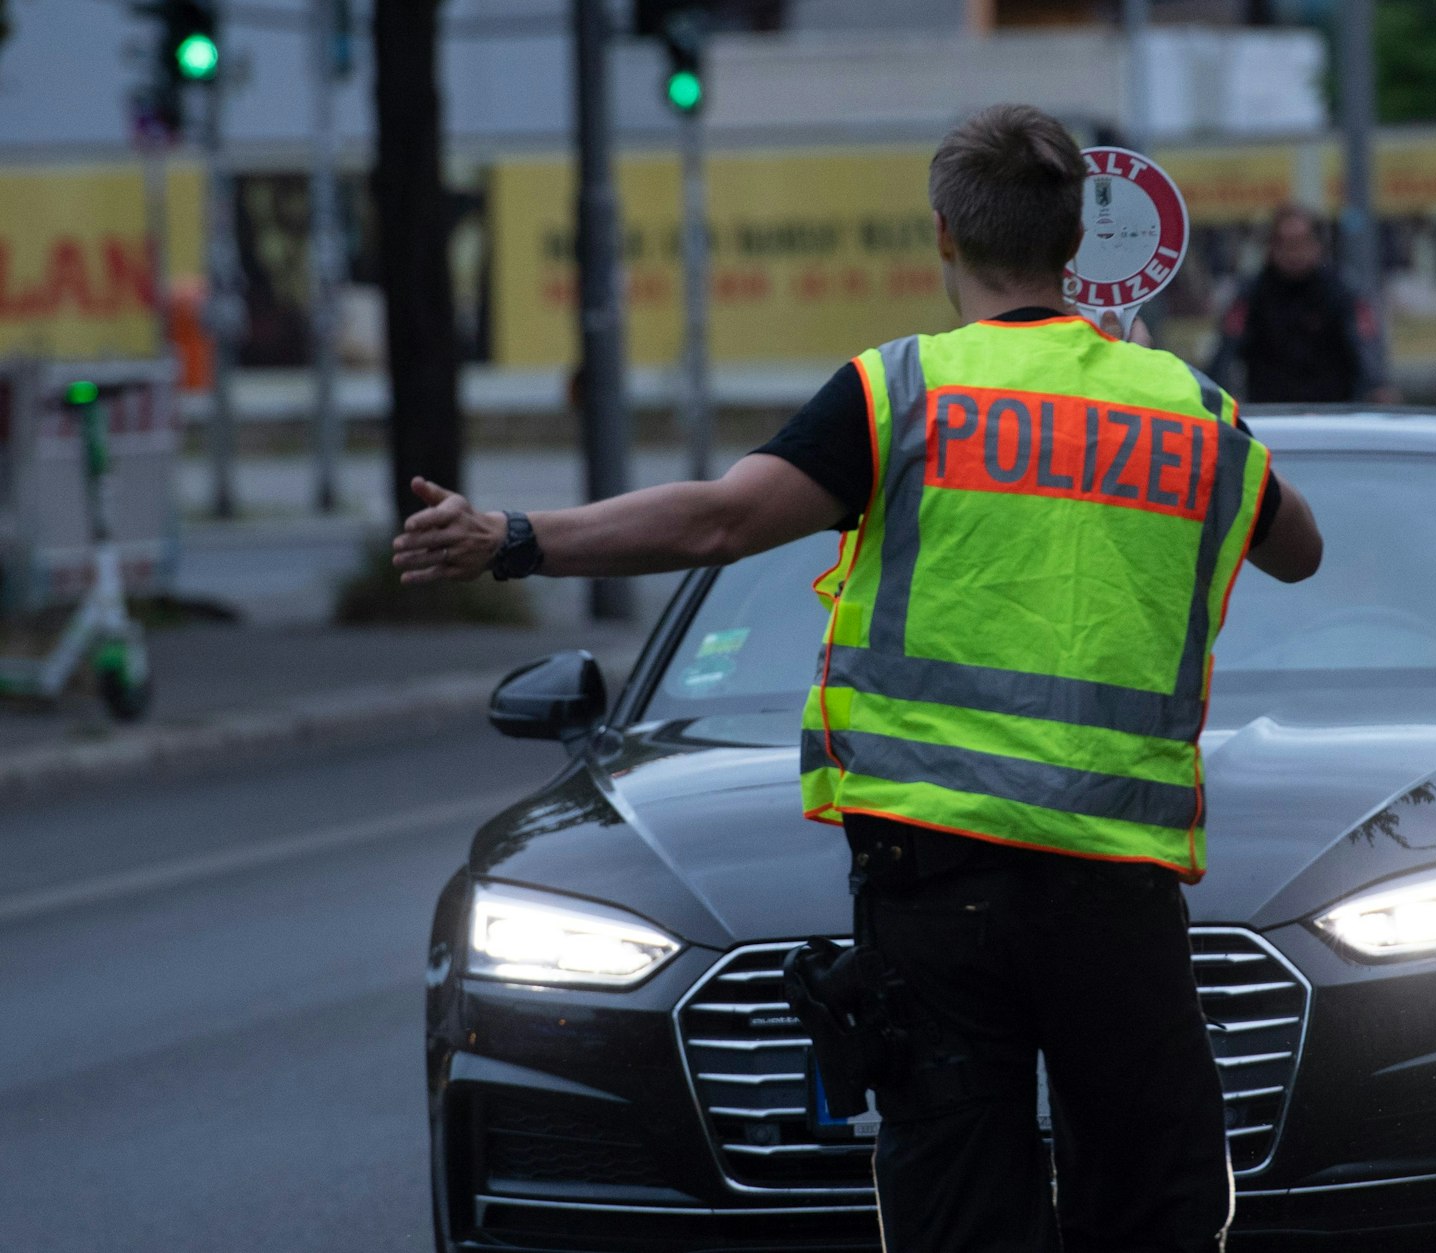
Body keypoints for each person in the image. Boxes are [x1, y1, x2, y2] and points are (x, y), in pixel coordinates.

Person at [392, 103, 1323, 1253]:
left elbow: (717, 523)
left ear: (942, 234)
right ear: (1077, 243)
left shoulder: (902, 394)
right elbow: (1297, 546)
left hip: (933, 889)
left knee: (958, 1208)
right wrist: (1150, 390)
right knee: (1149, 1207)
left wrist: (514, 535)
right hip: (1113, 891)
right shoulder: (1187, 410)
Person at [1235, 204, 1385, 404]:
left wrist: (1378, 386)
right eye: (1285, 244)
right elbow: (1229, 344)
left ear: (1317, 245)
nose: (1293, 252)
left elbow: (1365, 343)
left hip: (1333, 409)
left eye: (1300, 242)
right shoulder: (1252, 293)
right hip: (1271, 409)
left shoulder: (1341, 291)